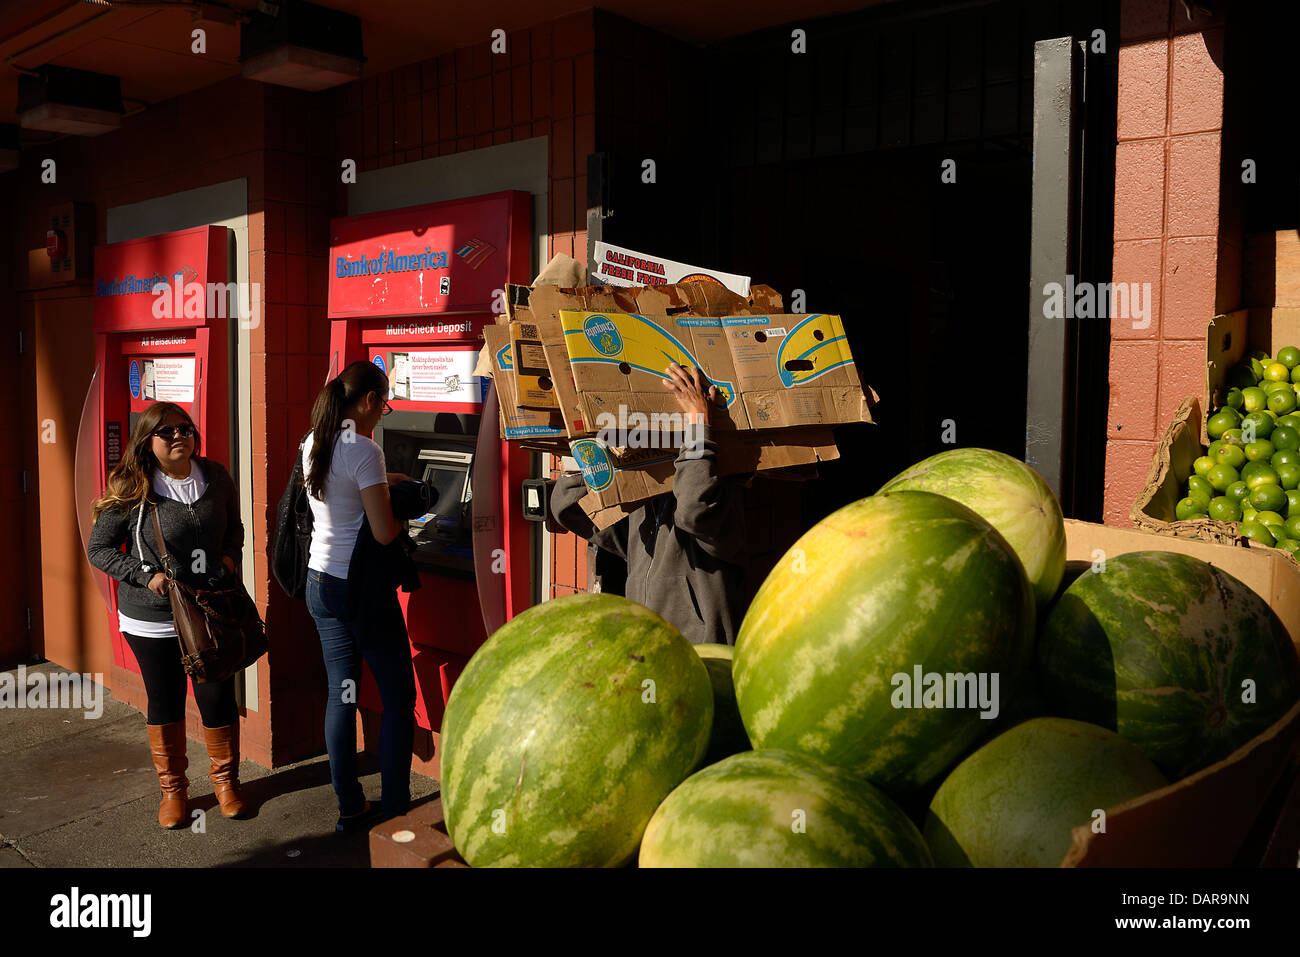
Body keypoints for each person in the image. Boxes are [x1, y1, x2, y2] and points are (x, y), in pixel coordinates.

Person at [86, 402, 247, 828]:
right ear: (148, 441)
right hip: (152, 616)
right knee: (166, 698)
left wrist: (229, 561)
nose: (180, 437)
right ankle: (174, 790)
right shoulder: (132, 486)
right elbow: (99, 549)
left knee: (215, 694)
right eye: (167, 432)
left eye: (186, 429)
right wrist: (143, 574)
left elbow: (235, 528)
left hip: (210, 611)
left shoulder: (215, 477)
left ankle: (226, 783)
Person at [550, 362, 749, 645]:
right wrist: (606, 453)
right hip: (654, 656)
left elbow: (694, 508)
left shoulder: (719, 499)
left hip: (700, 659)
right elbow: (566, 505)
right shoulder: (642, 507)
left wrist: (698, 423)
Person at [302, 360, 418, 832]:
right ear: (370, 400)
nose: (382, 414)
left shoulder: (314, 440)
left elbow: (338, 494)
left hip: (319, 581)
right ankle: (394, 810)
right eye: (384, 406)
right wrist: (406, 513)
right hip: (360, 589)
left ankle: (350, 808)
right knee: (398, 697)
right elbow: (384, 532)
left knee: (341, 695)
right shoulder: (367, 450)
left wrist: (384, 485)